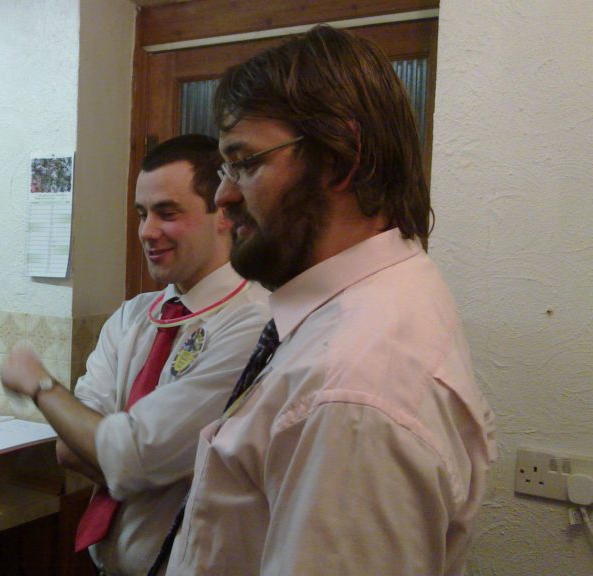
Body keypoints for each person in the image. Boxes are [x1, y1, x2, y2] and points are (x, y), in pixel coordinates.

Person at [164, 26, 497, 575]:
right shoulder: (371, 301)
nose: (222, 196)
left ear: (340, 159)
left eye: (245, 162)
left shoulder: (352, 394)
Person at [1, 135, 271, 575]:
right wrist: (134, 463)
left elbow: (131, 455)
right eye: (142, 214)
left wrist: (41, 385)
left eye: (167, 213)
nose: (147, 231)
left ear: (223, 212)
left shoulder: (252, 324)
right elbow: (71, 450)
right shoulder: (133, 318)